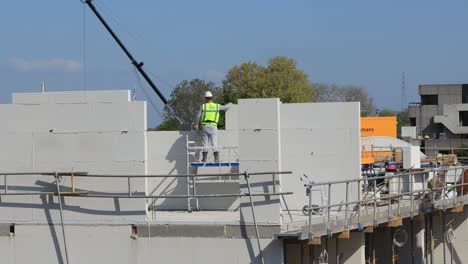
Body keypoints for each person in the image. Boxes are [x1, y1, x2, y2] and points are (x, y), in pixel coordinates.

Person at [194, 91, 232, 163]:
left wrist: (196, 124)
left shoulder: (203, 106)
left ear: (205, 98)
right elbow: (226, 108)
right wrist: (230, 104)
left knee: (205, 143)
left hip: (204, 126)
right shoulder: (217, 106)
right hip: (213, 126)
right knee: (214, 143)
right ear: (212, 98)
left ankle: (204, 159)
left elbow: (197, 116)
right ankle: (216, 159)